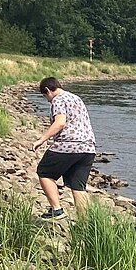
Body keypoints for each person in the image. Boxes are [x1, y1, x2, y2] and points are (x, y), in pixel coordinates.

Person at [32, 77, 97, 220]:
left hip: (68, 145)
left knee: (44, 172)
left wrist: (42, 139)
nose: (47, 100)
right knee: (78, 186)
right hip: (88, 147)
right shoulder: (76, 98)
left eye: (45, 96)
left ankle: (57, 210)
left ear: (48, 90)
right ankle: (85, 222)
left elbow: (60, 122)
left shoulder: (58, 100)